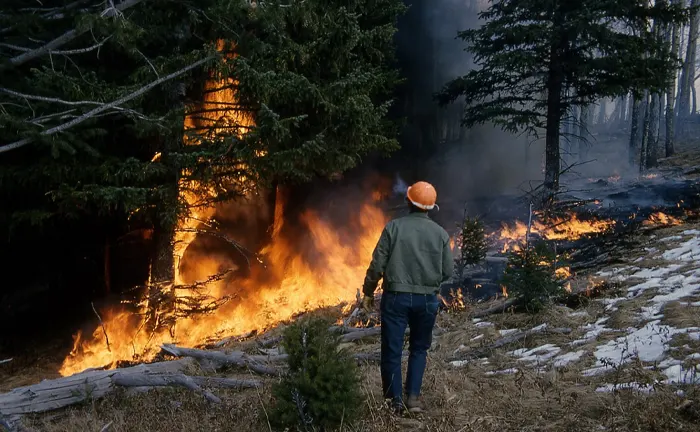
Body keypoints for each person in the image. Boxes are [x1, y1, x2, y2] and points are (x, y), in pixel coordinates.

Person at [360, 181, 453, 414]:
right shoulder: (441, 234)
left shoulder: (394, 228)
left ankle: (394, 403)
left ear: (408, 202)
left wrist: (368, 292)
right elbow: (447, 272)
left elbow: (377, 265)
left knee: (392, 350)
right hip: (426, 301)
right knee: (419, 349)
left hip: (396, 298)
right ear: (431, 207)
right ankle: (413, 398)